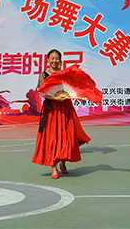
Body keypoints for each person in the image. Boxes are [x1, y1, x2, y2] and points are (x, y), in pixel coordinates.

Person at [32, 49, 90, 179]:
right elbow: (42, 93)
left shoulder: (65, 74)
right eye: (52, 58)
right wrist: (55, 98)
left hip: (65, 108)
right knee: (52, 138)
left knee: (66, 137)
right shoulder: (43, 75)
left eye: (57, 58)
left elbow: (73, 88)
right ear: (48, 60)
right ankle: (53, 166)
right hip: (52, 109)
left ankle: (63, 162)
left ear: (60, 60)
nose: (54, 61)